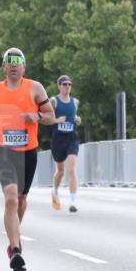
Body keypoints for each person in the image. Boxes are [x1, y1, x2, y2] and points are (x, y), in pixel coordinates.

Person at [0, 48, 56, 271]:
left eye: (17, 61)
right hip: (4, 150)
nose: (13, 65)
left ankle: (14, 237)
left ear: (24, 66)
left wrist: (38, 116)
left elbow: (50, 116)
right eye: (9, 61)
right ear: (4, 67)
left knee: (21, 200)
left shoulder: (35, 88)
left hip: (27, 151)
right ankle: (15, 250)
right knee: (11, 199)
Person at [50, 75, 82, 212]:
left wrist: (77, 119)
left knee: (72, 169)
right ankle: (55, 190)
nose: (67, 86)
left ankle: (73, 201)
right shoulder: (54, 101)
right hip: (58, 139)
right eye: (64, 84)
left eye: (69, 84)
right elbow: (46, 118)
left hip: (72, 138)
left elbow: (73, 116)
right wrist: (57, 120)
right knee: (61, 171)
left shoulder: (75, 102)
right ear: (59, 86)